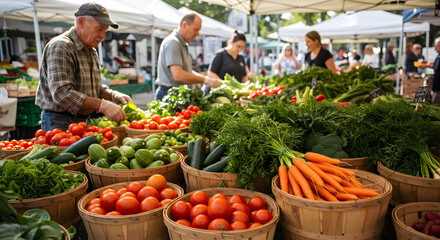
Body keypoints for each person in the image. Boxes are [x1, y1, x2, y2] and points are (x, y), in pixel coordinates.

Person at [36, 3, 131, 132]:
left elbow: (92, 88)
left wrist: (112, 95)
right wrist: (102, 105)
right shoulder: (61, 46)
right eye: (99, 29)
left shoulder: (90, 49)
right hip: (60, 122)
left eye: (105, 30)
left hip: (81, 120)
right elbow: (62, 93)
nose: (103, 36)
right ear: (81, 22)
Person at [155, 12, 221, 100]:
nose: (197, 34)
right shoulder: (173, 43)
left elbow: (186, 71)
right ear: (184, 25)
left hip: (177, 94)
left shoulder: (181, 43)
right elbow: (178, 75)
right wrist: (205, 80)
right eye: (196, 29)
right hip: (169, 95)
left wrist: (205, 79)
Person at [203, 30, 247, 95]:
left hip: (234, 94)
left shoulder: (241, 58)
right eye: (238, 46)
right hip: (220, 93)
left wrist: (246, 87)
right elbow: (211, 73)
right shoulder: (220, 55)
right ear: (232, 42)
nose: (240, 49)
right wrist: (225, 86)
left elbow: (244, 77)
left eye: (242, 47)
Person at [419, 37, 440, 103]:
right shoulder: (438, 55)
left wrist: (427, 65)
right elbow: (436, 66)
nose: (435, 48)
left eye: (437, 46)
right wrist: (428, 64)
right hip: (437, 86)